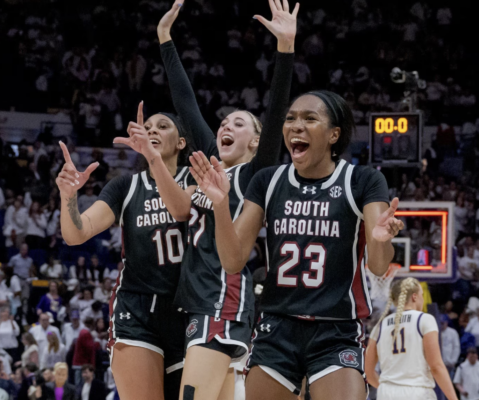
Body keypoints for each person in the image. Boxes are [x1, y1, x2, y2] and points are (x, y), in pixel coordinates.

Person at [188, 89, 404, 400]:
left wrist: (381, 241)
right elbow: (233, 261)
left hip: (336, 329)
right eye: (290, 118)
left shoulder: (363, 181)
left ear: (334, 134)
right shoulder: (268, 181)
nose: (295, 125)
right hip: (277, 325)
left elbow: (379, 265)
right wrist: (221, 205)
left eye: (309, 119)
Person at [55, 18, 218, 400]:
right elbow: (76, 233)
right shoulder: (125, 187)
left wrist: (151, 158)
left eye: (163, 127)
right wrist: (68, 196)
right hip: (137, 306)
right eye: (150, 127)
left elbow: (181, 211)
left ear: (180, 142)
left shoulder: (198, 180)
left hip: (189, 307)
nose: (154, 131)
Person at [149, 2, 297, 399]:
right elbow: (186, 104)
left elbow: (277, 108)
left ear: (254, 140)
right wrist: (165, 40)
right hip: (201, 299)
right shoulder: (210, 169)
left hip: (222, 295)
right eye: (225, 121)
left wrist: (285, 48)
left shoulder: (254, 175)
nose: (226, 124)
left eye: (239, 122)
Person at [365, 278, 458, 400]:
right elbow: (436, 366)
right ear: (414, 297)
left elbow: (368, 371)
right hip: (417, 392)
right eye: (422, 295)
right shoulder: (425, 319)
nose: (423, 299)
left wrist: (386, 388)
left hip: (386, 393)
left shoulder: (380, 326)